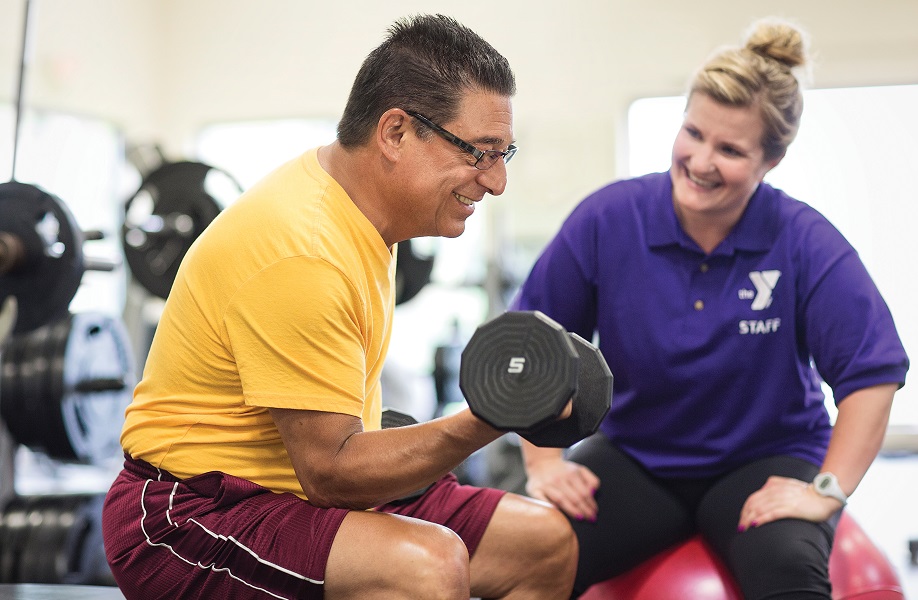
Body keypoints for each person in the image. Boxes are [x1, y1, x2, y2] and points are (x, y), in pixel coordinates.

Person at [102, 14, 578, 600]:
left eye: (505, 154)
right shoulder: (304, 250)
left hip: (296, 489)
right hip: (187, 513)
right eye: (480, 154)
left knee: (543, 543)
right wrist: (491, 416)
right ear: (395, 133)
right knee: (426, 568)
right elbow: (331, 472)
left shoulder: (366, 213)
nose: (498, 181)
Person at [511, 18, 909, 600]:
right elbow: (534, 340)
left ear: (771, 161)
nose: (700, 161)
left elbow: (872, 372)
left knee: (789, 568)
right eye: (693, 133)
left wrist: (827, 489)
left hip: (766, 462)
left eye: (730, 150)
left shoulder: (802, 238)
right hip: (636, 460)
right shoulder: (609, 219)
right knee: (520, 553)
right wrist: (544, 462)